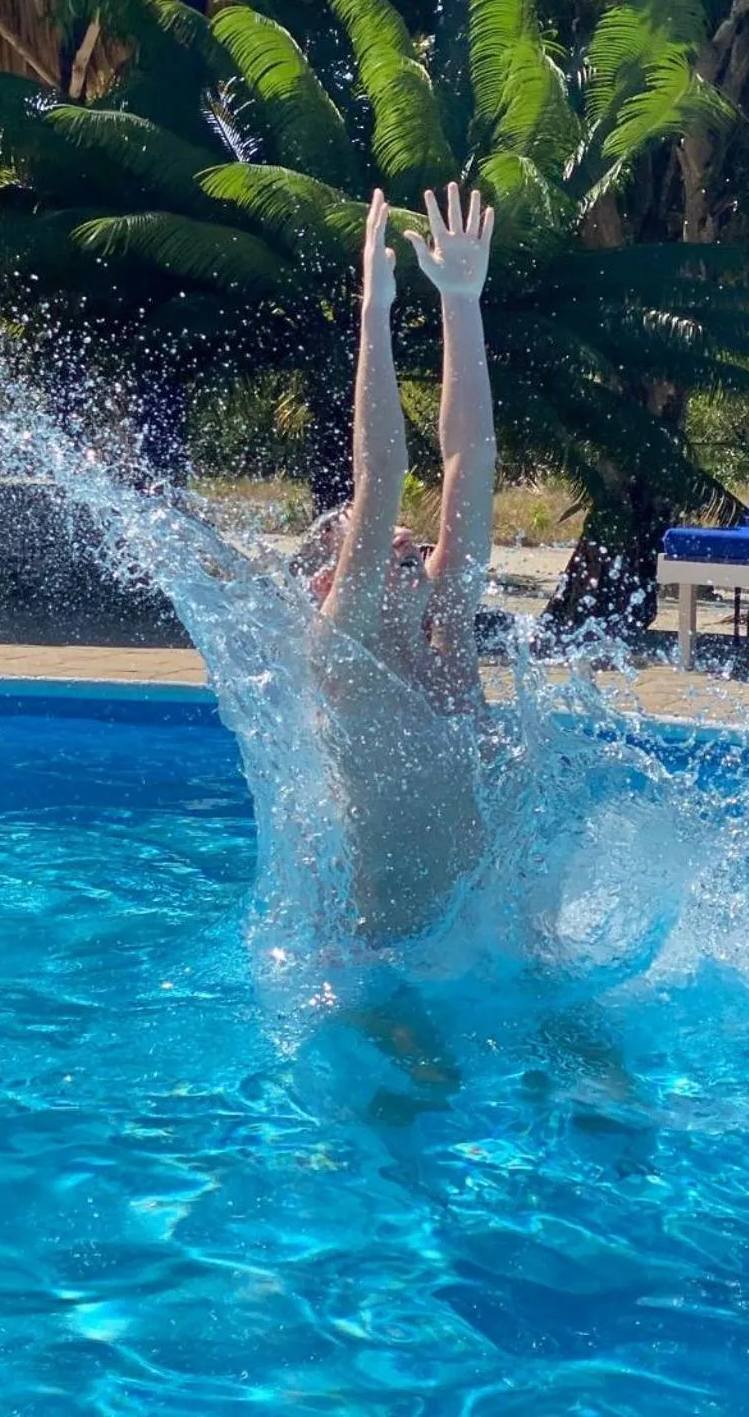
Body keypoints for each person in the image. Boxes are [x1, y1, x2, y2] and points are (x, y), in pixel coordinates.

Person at [300, 182, 498, 945]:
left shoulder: (446, 631)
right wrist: (373, 316)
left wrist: (461, 299)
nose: (405, 537)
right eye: (372, 540)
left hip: (487, 943)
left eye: (406, 537)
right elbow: (379, 476)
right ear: (328, 584)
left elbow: (469, 460)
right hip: (387, 963)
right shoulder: (340, 654)